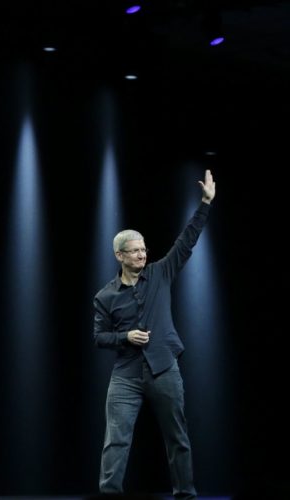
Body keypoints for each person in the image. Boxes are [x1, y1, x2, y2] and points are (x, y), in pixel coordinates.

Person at [93, 170, 216, 499]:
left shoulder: (160, 273)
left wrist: (205, 204)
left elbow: (186, 242)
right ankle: (109, 496)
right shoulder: (105, 296)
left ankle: (185, 495)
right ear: (119, 255)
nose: (142, 254)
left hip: (164, 368)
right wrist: (125, 337)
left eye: (144, 249)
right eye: (134, 251)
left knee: (177, 437)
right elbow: (99, 336)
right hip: (126, 375)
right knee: (116, 441)